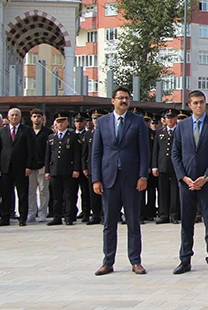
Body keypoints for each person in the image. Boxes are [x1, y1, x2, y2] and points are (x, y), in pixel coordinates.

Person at [91, 87, 150, 276]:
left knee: (133, 221)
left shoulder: (138, 122)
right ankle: (108, 261)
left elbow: (144, 151)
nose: (123, 101)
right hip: (109, 179)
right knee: (109, 223)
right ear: (112, 101)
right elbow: (96, 153)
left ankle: (135, 261)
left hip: (131, 179)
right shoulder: (102, 122)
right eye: (120, 98)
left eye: (126, 98)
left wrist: (143, 176)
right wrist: (96, 179)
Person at [171, 90, 208, 275]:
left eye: (202, 102)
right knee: (186, 222)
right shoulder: (181, 126)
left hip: (207, 182)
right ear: (189, 105)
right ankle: (185, 259)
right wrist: (184, 177)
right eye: (195, 102)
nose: (199, 106)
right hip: (187, 183)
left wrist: (206, 177)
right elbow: (175, 154)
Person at [45, 112, 82, 227]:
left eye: (62, 121)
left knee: (69, 195)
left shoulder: (73, 137)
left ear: (67, 122)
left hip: (68, 170)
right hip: (55, 170)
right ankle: (57, 216)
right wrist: (47, 170)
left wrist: (76, 169)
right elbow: (48, 155)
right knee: (56, 195)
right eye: (58, 121)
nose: (60, 124)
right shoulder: (52, 137)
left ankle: (69, 216)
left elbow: (77, 155)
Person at [0, 108, 34, 226]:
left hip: (21, 167)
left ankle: (23, 218)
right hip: (6, 167)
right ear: (8, 117)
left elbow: (31, 150)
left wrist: (29, 166)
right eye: (12, 115)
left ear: (20, 117)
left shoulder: (27, 131)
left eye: (16, 115)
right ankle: (4, 217)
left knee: (22, 193)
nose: (14, 117)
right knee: (5, 194)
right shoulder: (2, 131)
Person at [152, 109, 179, 224]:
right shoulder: (160, 131)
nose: (169, 120)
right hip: (162, 165)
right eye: (168, 117)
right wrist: (154, 166)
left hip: (175, 166)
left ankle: (174, 214)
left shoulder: (179, 131)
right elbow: (155, 150)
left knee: (174, 192)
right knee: (162, 191)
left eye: (172, 117)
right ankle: (163, 214)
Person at [28, 108, 53, 223]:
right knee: (31, 191)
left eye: (39, 116)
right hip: (30, 167)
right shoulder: (27, 132)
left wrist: (47, 167)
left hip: (43, 166)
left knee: (43, 190)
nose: (36, 118)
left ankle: (43, 213)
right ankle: (31, 213)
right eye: (34, 116)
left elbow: (50, 152)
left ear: (42, 118)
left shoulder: (48, 133)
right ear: (31, 118)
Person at [72, 112, 92, 223]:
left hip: (84, 168)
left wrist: (84, 167)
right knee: (72, 192)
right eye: (77, 121)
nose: (79, 124)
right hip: (73, 168)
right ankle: (72, 212)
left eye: (81, 121)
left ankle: (86, 213)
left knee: (85, 192)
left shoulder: (88, 135)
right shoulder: (71, 135)